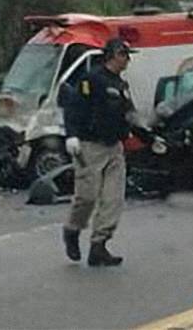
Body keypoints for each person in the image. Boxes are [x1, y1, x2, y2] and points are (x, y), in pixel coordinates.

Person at [61, 38, 141, 266]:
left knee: (113, 199)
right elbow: (74, 107)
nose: (128, 59)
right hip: (89, 146)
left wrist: (151, 137)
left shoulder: (121, 85)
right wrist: (72, 135)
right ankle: (72, 230)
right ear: (114, 55)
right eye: (125, 54)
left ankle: (99, 244)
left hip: (114, 146)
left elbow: (130, 115)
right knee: (87, 196)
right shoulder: (92, 80)